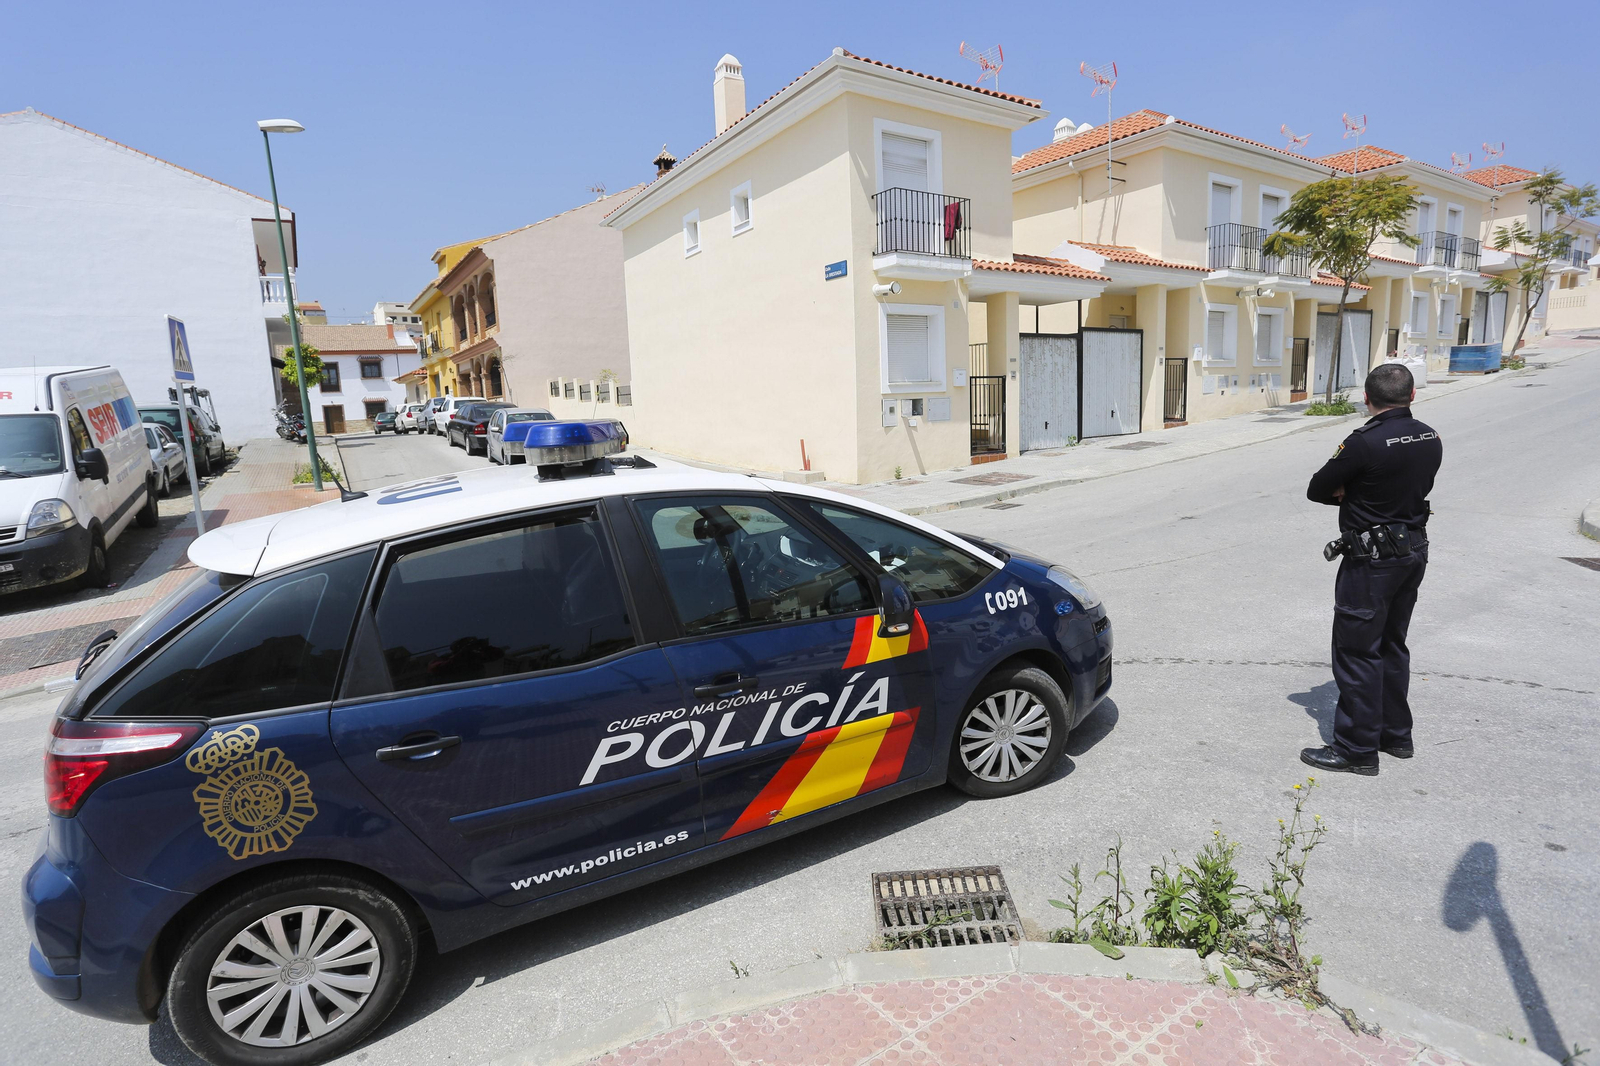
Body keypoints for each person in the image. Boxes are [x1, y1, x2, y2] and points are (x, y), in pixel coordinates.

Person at [1301, 362, 1442, 776]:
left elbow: (1316, 489)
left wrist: (1350, 492)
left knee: (1358, 651)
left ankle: (1356, 749)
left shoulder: (1363, 443)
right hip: (1412, 551)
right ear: (1412, 395)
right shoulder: (1429, 436)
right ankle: (1395, 736)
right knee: (1392, 644)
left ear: (1366, 398)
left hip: (1372, 561)